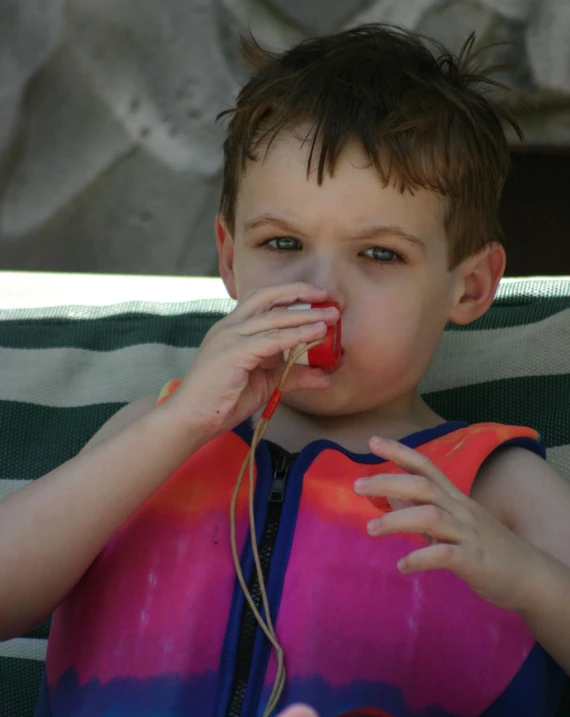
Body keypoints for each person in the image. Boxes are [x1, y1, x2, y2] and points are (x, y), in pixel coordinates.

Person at [1, 23, 570, 717]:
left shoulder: (494, 484)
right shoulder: (153, 439)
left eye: (380, 254)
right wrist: (177, 426)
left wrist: (529, 581)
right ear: (230, 258)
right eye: (282, 242)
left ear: (471, 286)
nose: (319, 292)